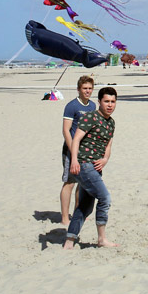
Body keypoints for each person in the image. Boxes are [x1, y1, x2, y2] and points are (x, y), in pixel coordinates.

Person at [64, 86, 118, 250]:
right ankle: (102, 238)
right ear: (100, 102)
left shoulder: (111, 123)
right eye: (106, 101)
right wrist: (74, 160)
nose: (110, 105)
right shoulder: (90, 117)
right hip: (84, 164)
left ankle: (69, 241)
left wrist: (105, 159)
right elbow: (76, 139)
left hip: (96, 167)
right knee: (105, 198)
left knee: (85, 206)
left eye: (113, 102)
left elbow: (108, 144)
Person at [60, 76, 97, 226]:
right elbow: (66, 130)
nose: (87, 91)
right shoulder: (72, 106)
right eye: (84, 88)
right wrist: (73, 151)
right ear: (79, 89)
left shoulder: (93, 106)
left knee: (82, 183)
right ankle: (64, 217)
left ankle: (78, 212)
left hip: (86, 149)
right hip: (71, 149)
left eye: (89, 88)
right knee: (70, 182)